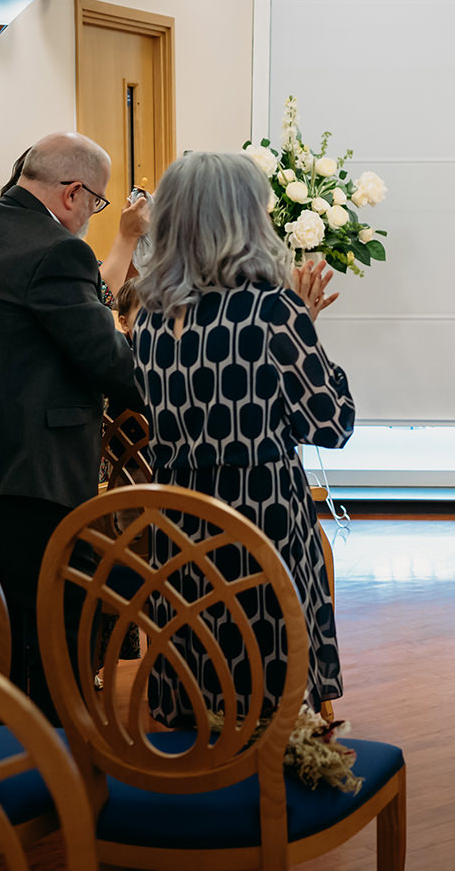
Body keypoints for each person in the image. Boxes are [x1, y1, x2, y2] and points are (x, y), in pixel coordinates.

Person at [129, 151, 354, 726]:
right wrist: (305, 327)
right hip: (259, 523)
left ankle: (197, 785)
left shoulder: (151, 317)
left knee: (196, 666)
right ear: (246, 218)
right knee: (264, 684)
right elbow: (330, 423)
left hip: (177, 524)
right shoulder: (271, 312)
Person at [0, 132, 143, 721]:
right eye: (97, 203)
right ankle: (62, 766)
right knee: (59, 632)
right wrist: (176, 402)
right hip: (32, 474)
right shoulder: (58, 250)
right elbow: (105, 358)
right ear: (73, 192)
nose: (91, 215)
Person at [1, 149, 151, 311]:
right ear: (71, 193)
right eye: (94, 201)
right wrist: (127, 235)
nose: (90, 214)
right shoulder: (50, 249)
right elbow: (100, 299)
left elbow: (101, 278)